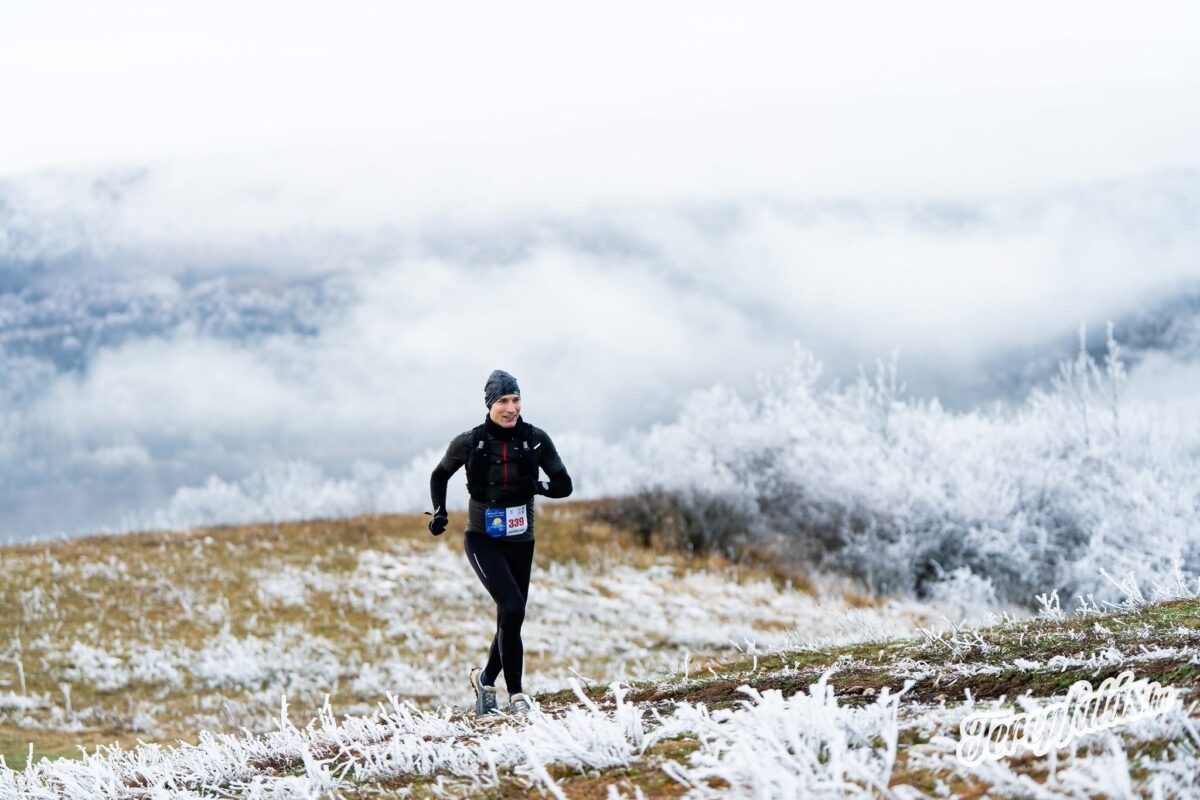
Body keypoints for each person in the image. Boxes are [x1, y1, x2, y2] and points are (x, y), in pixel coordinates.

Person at [427, 369, 573, 716]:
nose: (511, 408)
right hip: (483, 538)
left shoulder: (535, 439)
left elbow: (564, 485)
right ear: (490, 404)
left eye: (516, 399)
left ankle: (486, 678)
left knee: (511, 616)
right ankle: (517, 695)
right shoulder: (471, 441)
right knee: (511, 606)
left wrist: (538, 487)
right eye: (503, 401)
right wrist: (439, 513)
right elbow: (439, 474)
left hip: (522, 540)